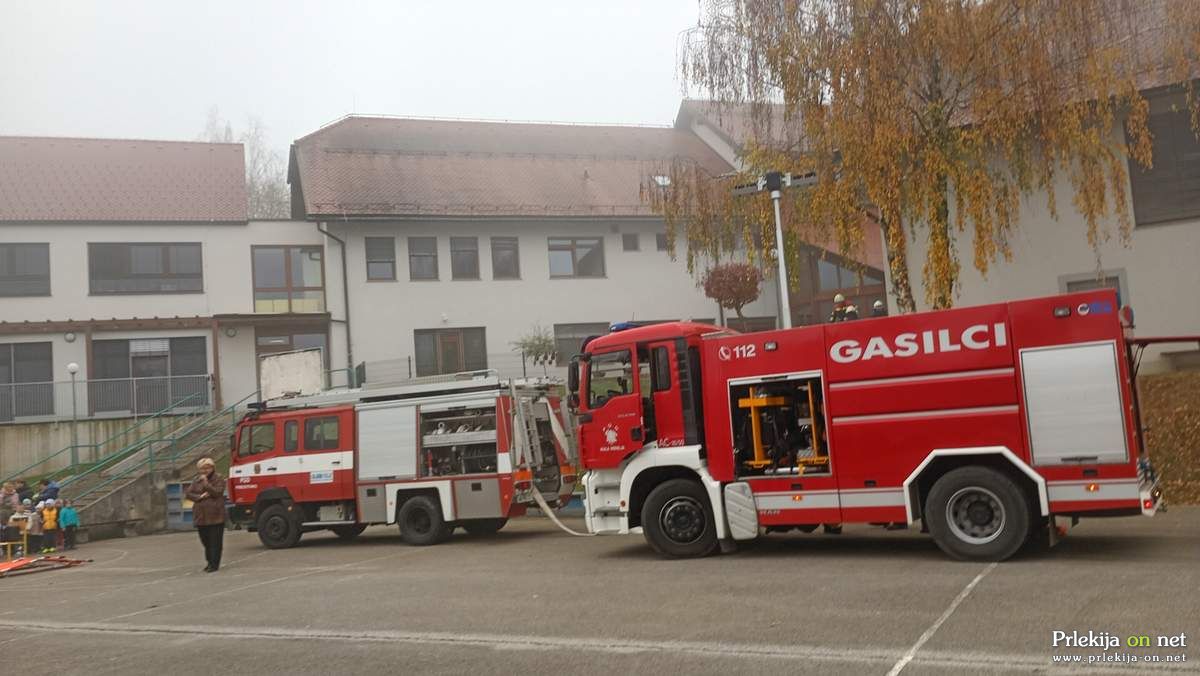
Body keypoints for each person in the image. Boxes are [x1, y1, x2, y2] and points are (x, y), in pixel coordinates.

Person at [186, 457, 226, 573]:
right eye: (202, 469)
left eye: (207, 468)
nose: (204, 471)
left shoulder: (218, 478)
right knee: (205, 541)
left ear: (212, 468)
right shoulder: (196, 480)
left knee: (215, 542)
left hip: (215, 516)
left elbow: (217, 492)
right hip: (201, 516)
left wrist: (206, 483)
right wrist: (200, 497)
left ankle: (214, 564)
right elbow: (188, 494)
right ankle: (209, 561)